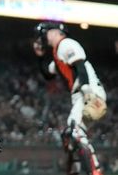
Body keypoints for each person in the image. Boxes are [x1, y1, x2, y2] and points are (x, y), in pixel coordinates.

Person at [34, 22, 107, 175]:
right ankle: (78, 170)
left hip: (88, 91)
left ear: (55, 32)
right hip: (80, 94)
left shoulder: (66, 43)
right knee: (69, 137)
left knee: (74, 130)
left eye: (46, 32)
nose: (44, 36)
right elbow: (48, 75)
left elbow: (79, 64)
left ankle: (95, 171)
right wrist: (40, 58)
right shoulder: (58, 52)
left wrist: (86, 90)